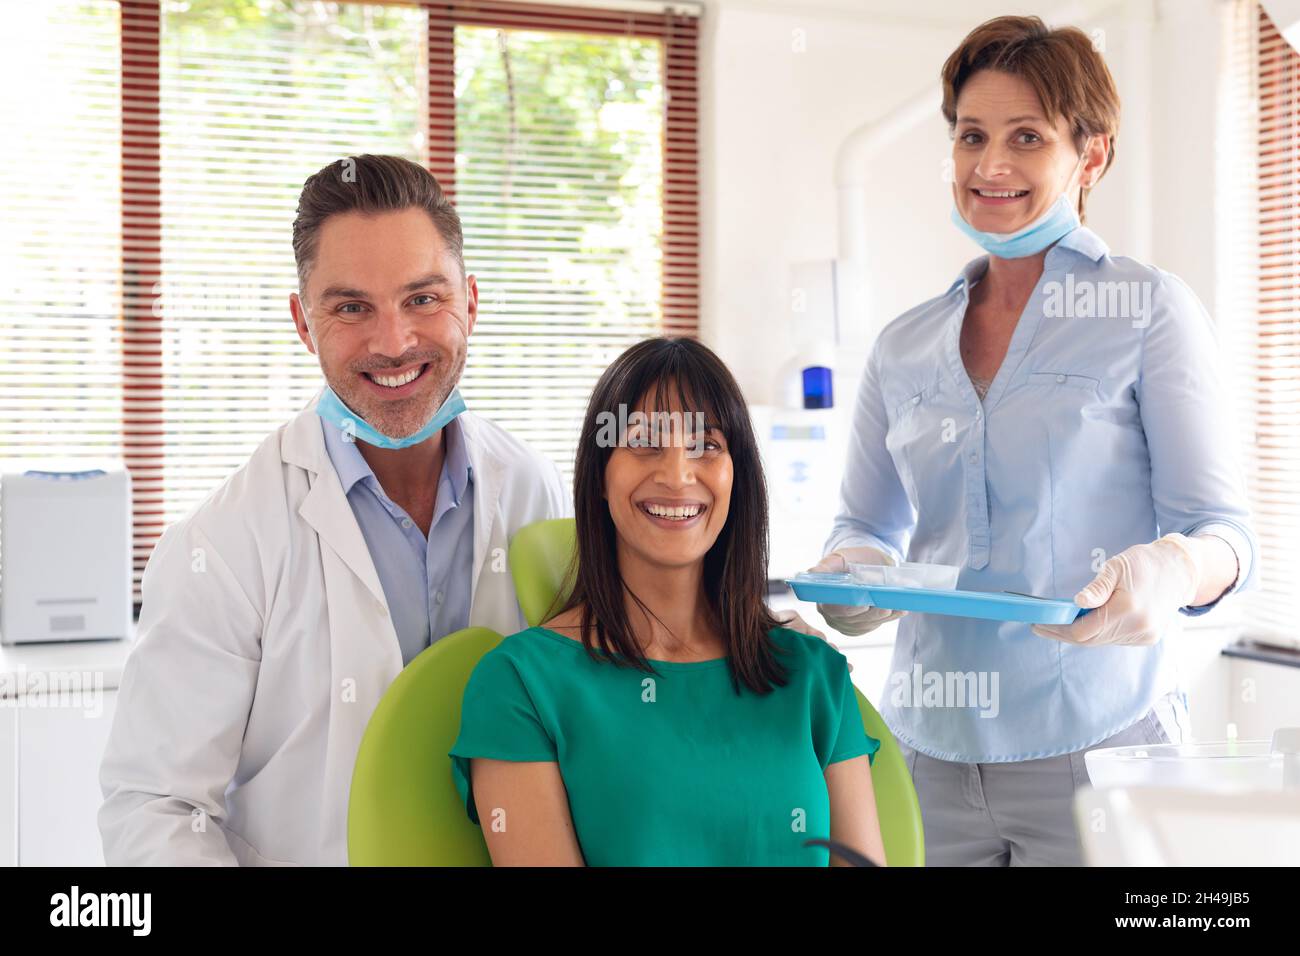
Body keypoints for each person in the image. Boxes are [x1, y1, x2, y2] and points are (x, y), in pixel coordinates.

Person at [812, 16, 1258, 866]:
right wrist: (851, 580)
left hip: (1104, 743)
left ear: (1090, 157)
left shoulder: (1148, 311)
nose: (991, 166)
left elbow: (1226, 534)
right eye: (971, 136)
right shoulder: (903, 344)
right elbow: (863, 527)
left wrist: (1170, 568)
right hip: (929, 751)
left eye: (1028, 137)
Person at [98, 155, 569, 865]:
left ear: (469, 303)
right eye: (351, 307)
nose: (393, 342)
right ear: (302, 320)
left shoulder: (533, 491)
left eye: (422, 299)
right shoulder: (226, 543)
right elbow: (156, 807)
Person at [449, 337, 887, 866]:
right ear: (600, 478)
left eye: (707, 445)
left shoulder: (813, 673)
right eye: (644, 443)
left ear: (736, 478)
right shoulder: (520, 685)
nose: (678, 475)